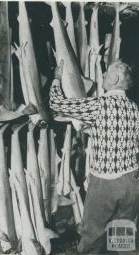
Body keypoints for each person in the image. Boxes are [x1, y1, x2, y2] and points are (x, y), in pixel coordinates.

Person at [49, 59, 139, 254]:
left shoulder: (99, 105)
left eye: (106, 73)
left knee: (92, 236)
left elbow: (56, 103)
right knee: (123, 235)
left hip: (105, 184)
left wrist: (56, 78)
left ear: (115, 78)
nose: (104, 76)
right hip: (131, 182)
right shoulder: (134, 108)